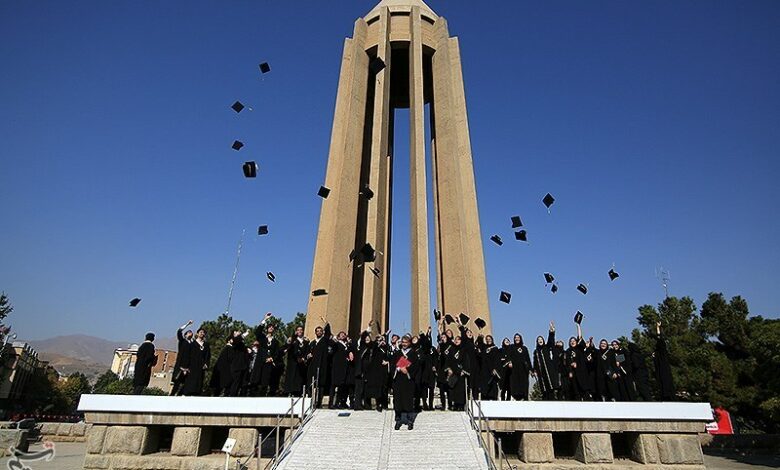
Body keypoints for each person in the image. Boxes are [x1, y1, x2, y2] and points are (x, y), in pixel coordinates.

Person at [392, 335, 419, 430]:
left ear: (409, 343)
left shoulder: (413, 353)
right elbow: (392, 364)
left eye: (406, 342)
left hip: (408, 380)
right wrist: (399, 368)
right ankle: (398, 420)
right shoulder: (397, 353)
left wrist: (407, 371)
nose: (404, 344)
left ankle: (410, 420)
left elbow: (416, 366)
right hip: (398, 379)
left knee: (408, 399)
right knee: (398, 399)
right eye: (403, 342)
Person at [306, 320, 332, 407]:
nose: (319, 332)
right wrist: (308, 356)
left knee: (321, 385)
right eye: (317, 331)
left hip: (322, 366)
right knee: (311, 384)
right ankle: (310, 401)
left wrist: (326, 324)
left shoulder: (324, 341)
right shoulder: (312, 343)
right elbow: (308, 353)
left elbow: (328, 334)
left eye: (321, 331)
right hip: (312, 366)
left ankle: (319, 403)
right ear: (315, 333)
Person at [532, 322, 560, 400]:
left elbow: (550, 341)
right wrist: (534, 370)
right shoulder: (536, 351)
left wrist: (551, 332)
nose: (540, 340)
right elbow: (535, 362)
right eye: (538, 340)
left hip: (549, 370)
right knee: (544, 389)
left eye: (541, 339)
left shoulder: (546, 348)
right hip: (541, 372)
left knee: (551, 388)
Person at [181, 328, 210, 396]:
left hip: (201, 367)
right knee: (190, 381)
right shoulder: (192, 344)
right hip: (192, 366)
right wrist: (185, 367)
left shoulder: (206, 345)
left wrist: (206, 364)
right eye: (201, 332)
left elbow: (208, 356)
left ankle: (196, 393)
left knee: (199, 381)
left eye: (203, 332)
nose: (202, 333)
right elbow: (187, 356)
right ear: (197, 333)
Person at [444, 336, 468, 411]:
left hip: (460, 372)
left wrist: (464, 371)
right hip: (453, 372)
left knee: (460, 390)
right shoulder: (451, 349)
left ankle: (461, 405)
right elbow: (448, 360)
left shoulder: (463, 350)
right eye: (455, 339)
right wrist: (448, 368)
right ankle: (454, 404)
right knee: (452, 389)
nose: (456, 341)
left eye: (458, 339)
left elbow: (466, 361)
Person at [283, 326, 308, 396]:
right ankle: (289, 392)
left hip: (301, 364)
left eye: (301, 330)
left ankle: (298, 392)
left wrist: (303, 358)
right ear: (296, 331)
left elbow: (307, 351)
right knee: (291, 377)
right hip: (293, 363)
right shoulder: (292, 341)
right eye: (298, 330)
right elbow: (287, 349)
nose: (299, 331)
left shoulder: (306, 342)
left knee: (299, 379)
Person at [170, 320, 193, 396]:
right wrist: (187, 324)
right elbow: (179, 331)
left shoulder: (193, 344)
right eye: (188, 332)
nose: (190, 333)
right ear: (185, 335)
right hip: (180, 366)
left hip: (188, 368)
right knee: (177, 384)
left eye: (191, 332)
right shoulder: (182, 341)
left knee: (186, 384)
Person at [653, 321, 675, 401]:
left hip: (664, 371)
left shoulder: (663, 353)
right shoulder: (659, 355)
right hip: (661, 371)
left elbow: (660, 340)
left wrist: (658, 328)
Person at [330, 329, 351, 408]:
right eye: (341, 334)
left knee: (341, 386)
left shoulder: (347, 345)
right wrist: (334, 338)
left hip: (344, 368)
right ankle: (331, 403)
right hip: (336, 367)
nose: (343, 335)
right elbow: (332, 345)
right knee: (333, 386)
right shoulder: (336, 343)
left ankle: (338, 402)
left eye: (344, 334)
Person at [507, 334, 532, 400]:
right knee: (515, 384)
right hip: (514, 370)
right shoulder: (511, 347)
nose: (516, 339)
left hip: (523, 370)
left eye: (518, 337)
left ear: (520, 339)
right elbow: (509, 356)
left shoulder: (524, 348)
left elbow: (528, 359)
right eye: (515, 337)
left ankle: (524, 397)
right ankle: (516, 397)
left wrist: (530, 369)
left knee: (524, 385)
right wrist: (509, 362)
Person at [477, 335, 501, 400]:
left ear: (492, 339)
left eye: (489, 339)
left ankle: (493, 398)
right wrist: (480, 338)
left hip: (492, 370)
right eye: (487, 339)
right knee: (484, 385)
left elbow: (497, 360)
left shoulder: (495, 349)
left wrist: (495, 368)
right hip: (485, 370)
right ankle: (485, 397)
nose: (488, 340)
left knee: (492, 385)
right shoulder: (484, 348)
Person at [228, 330, 250, 397]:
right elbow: (235, 340)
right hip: (237, 366)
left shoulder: (241, 343)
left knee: (244, 384)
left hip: (244, 366)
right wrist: (243, 335)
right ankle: (232, 398)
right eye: (235, 333)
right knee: (236, 383)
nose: (238, 333)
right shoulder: (232, 341)